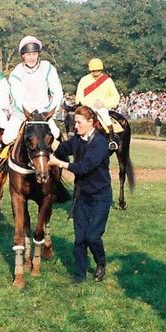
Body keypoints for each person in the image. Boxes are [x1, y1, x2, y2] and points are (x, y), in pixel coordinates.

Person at [49, 106, 111, 283]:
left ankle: (100, 262)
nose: (75, 126)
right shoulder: (77, 139)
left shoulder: (99, 143)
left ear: (91, 122)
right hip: (82, 195)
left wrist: (59, 164)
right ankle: (80, 275)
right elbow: (62, 149)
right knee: (79, 238)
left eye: (79, 122)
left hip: (101, 196)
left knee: (92, 236)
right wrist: (47, 137)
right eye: (75, 122)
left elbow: (84, 167)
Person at [1, 36, 63, 153]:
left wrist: (49, 111)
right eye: (28, 54)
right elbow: (17, 98)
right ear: (22, 55)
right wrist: (29, 114)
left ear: (38, 54)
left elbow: (57, 91)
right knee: (7, 138)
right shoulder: (16, 72)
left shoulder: (48, 67)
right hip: (22, 114)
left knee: (56, 134)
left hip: (44, 115)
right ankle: (3, 167)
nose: (32, 58)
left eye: (34, 54)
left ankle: (59, 166)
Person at [76, 58, 120, 150]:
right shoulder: (84, 80)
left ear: (101, 70)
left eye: (98, 71)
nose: (96, 73)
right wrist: (85, 104)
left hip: (101, 106)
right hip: (87, 107)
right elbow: (79, 95)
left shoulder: (108, 81)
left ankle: (111, 139)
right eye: (93, 71)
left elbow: (115, 96)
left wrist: (104, 103)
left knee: (105, 118)